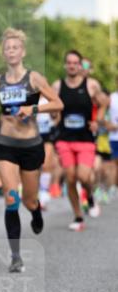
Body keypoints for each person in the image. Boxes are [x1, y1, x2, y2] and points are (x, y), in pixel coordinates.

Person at [0, 28, 62, 272]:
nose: (11, 51)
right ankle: (16, 256)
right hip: (6, 144)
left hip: (31, 145)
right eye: (7, 48)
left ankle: (36, 211)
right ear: (4, 53)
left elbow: (59, 103)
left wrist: (34, 110)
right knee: (11, 198)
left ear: (23, 51)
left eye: (15, 47)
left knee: (28, 199)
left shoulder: (34, 78)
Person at [52, 50, 107, 230]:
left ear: (79, 65)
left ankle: (90, 197)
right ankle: (78, 217)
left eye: (76, 63)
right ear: (65, 65)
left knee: (83, 176)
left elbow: (104, 102)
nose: (72, 65)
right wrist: (55, 115)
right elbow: (52, 105)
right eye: (69, 62)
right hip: (65, 139)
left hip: (85, 139)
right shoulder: (57, 86)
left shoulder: (91, 85)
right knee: (70, 177)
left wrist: (97, 121)